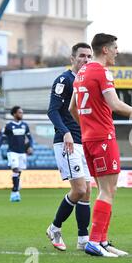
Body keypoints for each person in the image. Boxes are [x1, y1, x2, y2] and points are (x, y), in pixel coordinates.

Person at [70, 33, 132, 257]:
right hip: (103, 138)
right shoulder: (101, 71)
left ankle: (103, 241)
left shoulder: (81, 73)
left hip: (89, 138)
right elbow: (115, 104)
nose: (118, 51)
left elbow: (73, 109)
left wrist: (87, 126)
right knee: (107, 191)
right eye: (115, 48)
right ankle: (94, 242)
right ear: (105, 50)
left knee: (107, 190)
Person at [45, 42, 93, 251]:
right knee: (79, 189)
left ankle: (83, 240)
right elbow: (52, 111)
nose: (86, 60)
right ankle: (54, 227)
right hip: (67, 142)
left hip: (85, 142)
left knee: (88, 191)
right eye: (82, 56)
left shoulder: (87, 82)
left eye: (89, 56)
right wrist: (65, 133)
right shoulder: (64, 80)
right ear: (73, 58)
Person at [0, 106, 34, 202]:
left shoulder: (25, 125)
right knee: (15, 170)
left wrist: (30, 147)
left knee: (18, 172)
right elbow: (1, 139)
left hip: (22, 153)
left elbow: (30, 138)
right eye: (20, 112)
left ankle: (15, 190)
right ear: (14, 114)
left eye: (22, 112)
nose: (21, 114)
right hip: (12, 152)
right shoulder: (8, 126)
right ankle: (15, 192)